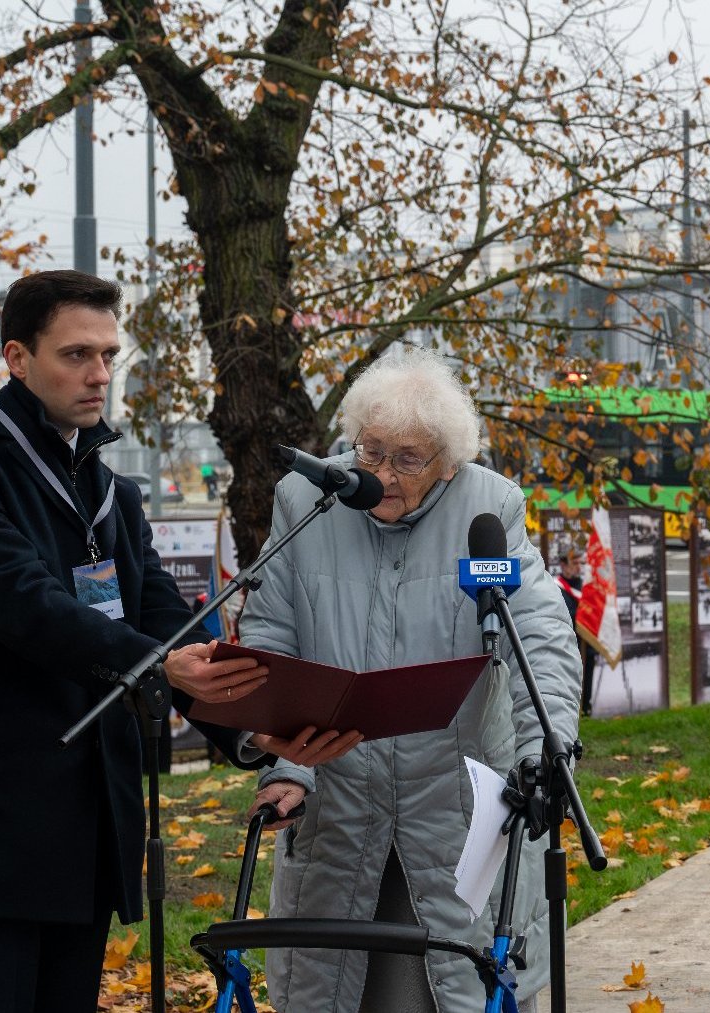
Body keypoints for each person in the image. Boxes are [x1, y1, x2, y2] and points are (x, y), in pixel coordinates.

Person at [0, 270, 339, 1013]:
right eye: (76, 354)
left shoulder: (112, 491)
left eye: (108, 354)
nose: (99, 373)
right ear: (16, 357)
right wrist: (154, 661)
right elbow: (24, 603)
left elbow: (166, 620)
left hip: (91, 828)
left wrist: (260, 733)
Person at [241, 348, 581, 1013]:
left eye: (407, 459)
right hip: (337, 798)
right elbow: (272, 640)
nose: (382, 476)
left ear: (448, 463)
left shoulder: (491, 507)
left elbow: (538, 637)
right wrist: (286, 765)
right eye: (370, 452)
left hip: (456, 802)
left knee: (457, 985)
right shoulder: (305, 499)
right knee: (338, 988)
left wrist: (548, 747)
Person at [554, 552, 598, 717]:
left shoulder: (585, 587)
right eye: (574, 563)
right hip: (568, 645)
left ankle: (586, 709)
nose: (579, 567)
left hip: (586, 644)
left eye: (581, 563)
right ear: (563, 565)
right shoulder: (556, 588)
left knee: (587, 678)